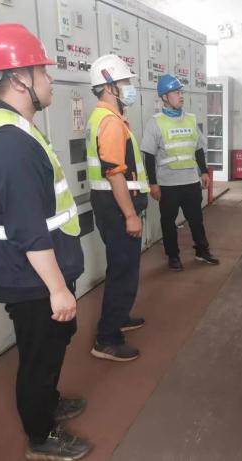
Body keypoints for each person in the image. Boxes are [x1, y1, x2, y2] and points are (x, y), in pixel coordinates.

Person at [0, 24, 89, 460]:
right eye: (44, 72)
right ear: (21, 79)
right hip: (32, 276)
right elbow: (27, 227)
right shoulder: (10, 146)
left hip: (37, 270)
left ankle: (48, 401)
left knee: (53, 344)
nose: (50, 80)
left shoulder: (15, 128)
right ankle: (41, 435)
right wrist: (57, 288)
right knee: (39, 355)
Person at [86, 54, 149, 362]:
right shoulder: (110, 122)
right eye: (125, 82)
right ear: (109, 86)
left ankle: (120, 316)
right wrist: (130, 215)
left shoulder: (104, 117)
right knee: (123, 270)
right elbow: (114, 173)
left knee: (121, 265)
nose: (129, 87)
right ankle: (107, 339)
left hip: (108, 204)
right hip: (117, 207)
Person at [140, 74, 219, 271]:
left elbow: (198, 148)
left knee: (196, 220)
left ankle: (202, 250)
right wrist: (153, 183)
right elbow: (148, 155)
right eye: (176, 92)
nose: (181, 95)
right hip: (168, 184)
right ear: (164, 97)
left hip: (190, 181)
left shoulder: (190, 119)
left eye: (181, 92)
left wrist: (204, 172)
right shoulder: (155, 123)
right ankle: (173, 256)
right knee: (168, 222)